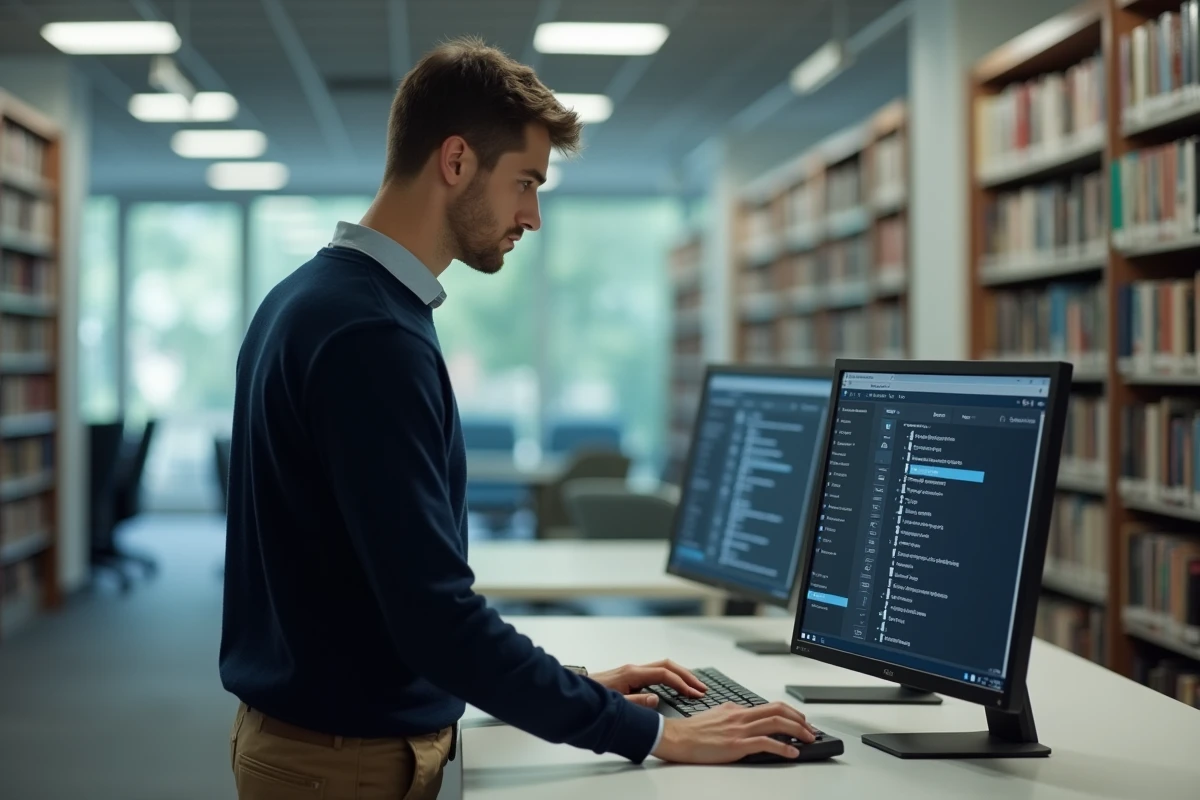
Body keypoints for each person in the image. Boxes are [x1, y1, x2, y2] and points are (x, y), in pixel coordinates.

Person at [219, 35, 815, 799]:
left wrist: (577, 689)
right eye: (526, 183)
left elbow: (367, 589)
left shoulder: (312, 298)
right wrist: (654, 732)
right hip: (345, 763)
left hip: (326, 736)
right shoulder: (371, 335)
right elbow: (433, 615)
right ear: (457, 161)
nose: (532, 216)